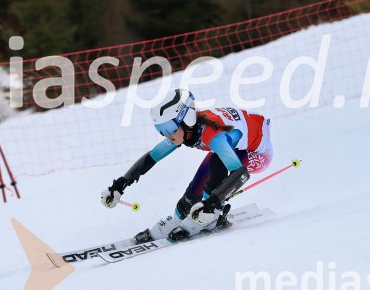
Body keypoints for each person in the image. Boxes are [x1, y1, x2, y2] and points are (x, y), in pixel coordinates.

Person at [101, 88, 273, 241]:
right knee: (202, 178)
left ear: (186, 120)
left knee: (216, 161)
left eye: (169, 128)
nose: (166, 135)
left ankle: (213, 217)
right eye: (161, 130)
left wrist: (212, 203)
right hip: (235, 148)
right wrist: (121, 183)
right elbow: (153, 156)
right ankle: (180, 215)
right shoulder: (186, 130)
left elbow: (240, 174)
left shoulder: (214, 137)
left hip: (259, 155)